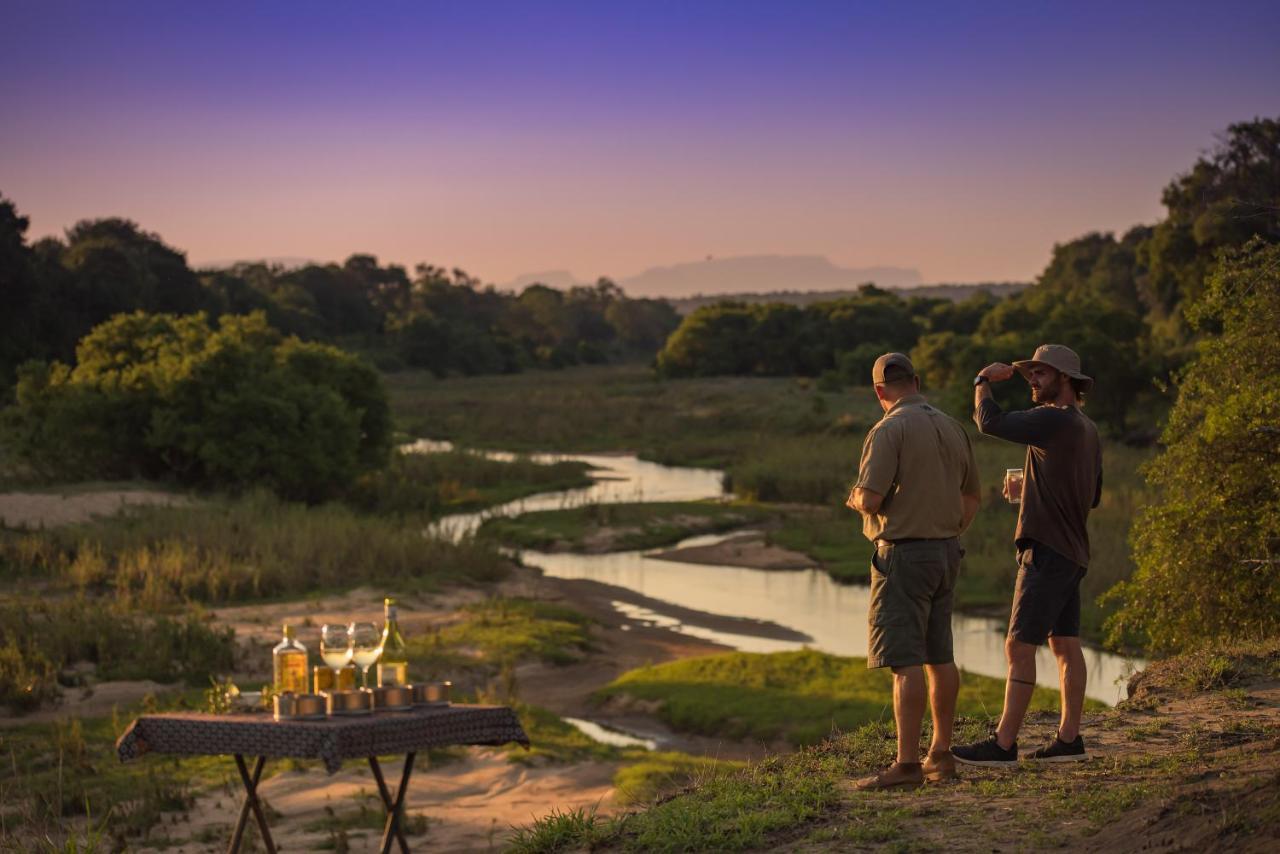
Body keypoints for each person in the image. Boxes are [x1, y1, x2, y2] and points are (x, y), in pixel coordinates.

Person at [952, 344, 1102, 767]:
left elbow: (989, 421)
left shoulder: (1053, 419)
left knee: (1019, 647)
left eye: (1040, 373)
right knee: (1066, 646)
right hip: (1073, 552)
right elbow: (1088, 497)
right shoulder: (1087, 428)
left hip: (1047, 552)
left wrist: (982, 381)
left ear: (1065, 379)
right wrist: (1031, 495)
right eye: (1030, 373)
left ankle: (1003, 745)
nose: (1032, 381)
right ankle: (1069, 741)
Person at [847, 352, 981, 789]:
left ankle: (906, 765)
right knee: (940, 656)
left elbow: (869, 498)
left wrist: (854, 499)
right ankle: (940, 754)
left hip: (903, 556)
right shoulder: (952, 426)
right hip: (946, 552)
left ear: (879, 391)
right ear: (917, 381)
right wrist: (946, 529)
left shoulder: (889, 430)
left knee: (905, 661)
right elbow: (971, 500)